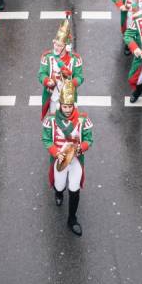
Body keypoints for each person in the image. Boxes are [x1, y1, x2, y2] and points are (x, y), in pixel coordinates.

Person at [42, 78, 93, 236]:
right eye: (65, 106)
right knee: (59, 185)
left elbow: (88, 139)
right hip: (60, 158)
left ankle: (72, 218)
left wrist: (80, 148)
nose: (68, 109)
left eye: (70, 106)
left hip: (75, 159)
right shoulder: (51, 120)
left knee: (74, 188)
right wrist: (56, 153)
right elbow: (47, 140)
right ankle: (58, 192)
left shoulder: (83, 120)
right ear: (60, 106)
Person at [38, 16, 84, 120]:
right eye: (55, 44)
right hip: (53, 96)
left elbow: (80, 77)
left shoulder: (75, 59)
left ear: (66, 46)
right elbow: (41, 74)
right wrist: (47, 81)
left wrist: (71, 83)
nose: (56, 47)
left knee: (69, 122)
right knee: (54, 120)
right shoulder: (47, 57)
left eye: (59, 45)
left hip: (69, 99)